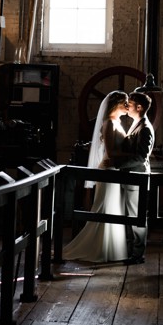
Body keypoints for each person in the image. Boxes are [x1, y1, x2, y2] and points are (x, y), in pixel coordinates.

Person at [62, 90, 130, 262]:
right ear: (116, 104)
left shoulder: (117, 122)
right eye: (125, 102)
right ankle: (98, 248)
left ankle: (110, 249)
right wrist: (129, 155)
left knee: (113, 208)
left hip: (114, 169)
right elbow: (110, 150)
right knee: (104, 207)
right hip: (107, 170)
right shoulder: (109, 123)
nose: (128, 106)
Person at [112, 91, 155, 265]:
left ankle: (138, 255)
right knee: (131, 218)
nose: (127, 104)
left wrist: (117, 165)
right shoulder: (137, 124)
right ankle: (131, 252)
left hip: (138, 179)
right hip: (131, 178)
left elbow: (141, 158)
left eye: (131, 102)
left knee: (137, 219)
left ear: (139, 107)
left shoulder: (145, 129)